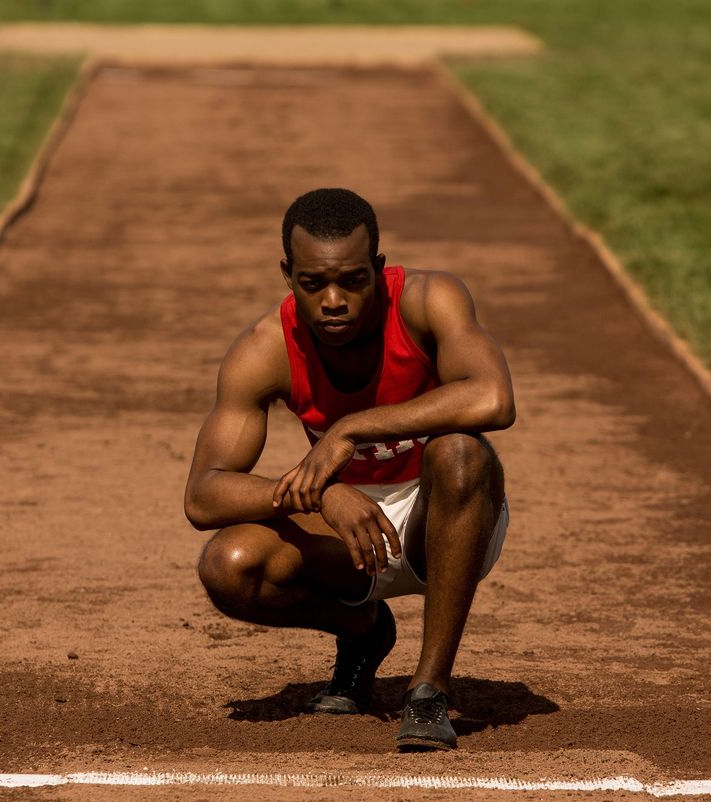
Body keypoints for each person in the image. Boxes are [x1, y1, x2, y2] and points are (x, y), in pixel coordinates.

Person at [184, 188, 514, 751]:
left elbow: (493, 399)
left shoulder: (430, 299)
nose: (333, 300)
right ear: (288, 275)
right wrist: (321, 497)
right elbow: (204, 496)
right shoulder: (264, 348)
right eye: (313, 284)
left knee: (461, 451)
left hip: (447, 514)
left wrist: (349, 428)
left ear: (378, 271)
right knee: (229, 565)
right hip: (344, 534)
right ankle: (363, 632)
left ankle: (429, 690)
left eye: (352, 281)